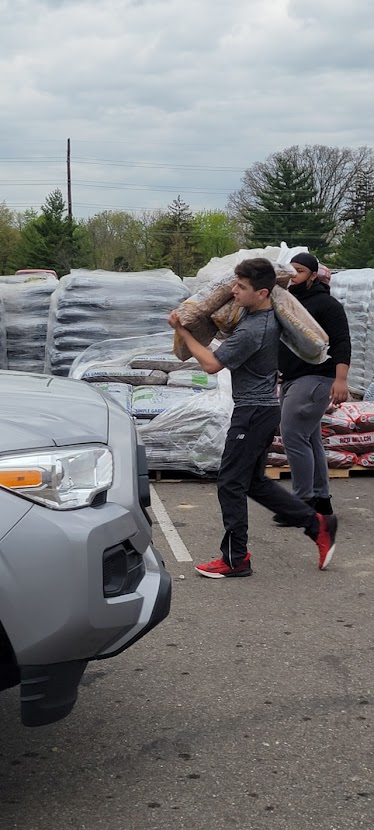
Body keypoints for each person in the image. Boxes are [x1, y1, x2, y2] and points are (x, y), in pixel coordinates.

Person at [168, 258, 337, 579]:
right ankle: (317, 524)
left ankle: (235, 558)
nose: (234, 290)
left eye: (241, 287)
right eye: (234, 284)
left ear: (262, 293)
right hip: (261, 410)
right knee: (255, 482)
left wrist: (182, 331)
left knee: (230, 483)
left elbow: (212, 365)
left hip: (253, 413)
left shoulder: (254, 328)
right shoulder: (256, 314)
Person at [274, 252, 351, 526]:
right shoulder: (289, 303)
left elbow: (342, 342)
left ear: (313, 275)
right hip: (294, 378)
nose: (293, 276)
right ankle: (321, 501)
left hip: (317, 377)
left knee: (293, 436)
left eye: (300, 271)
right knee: (311, 438)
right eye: (290, 271)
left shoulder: (326, 304)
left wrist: (340, 380)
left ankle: (301, 504)